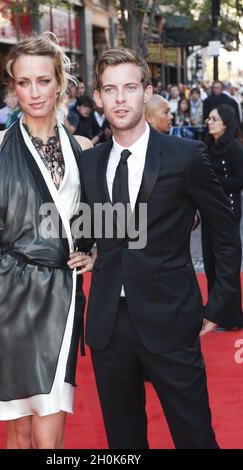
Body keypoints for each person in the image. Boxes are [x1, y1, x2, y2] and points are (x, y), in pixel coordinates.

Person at [70, 48, 241, 449]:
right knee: (123, 443)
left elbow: (225, 232)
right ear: (98, 98)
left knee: (194, 436)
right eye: (110, 89)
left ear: (146, 92)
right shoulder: (90, 162)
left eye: (130, 87)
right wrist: (93, 252)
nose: (120, 98)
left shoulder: (184, 156)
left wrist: (220, 303)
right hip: (109, 325)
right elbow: (92, 228)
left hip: (172, 319)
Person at [0, 33, 93, 449]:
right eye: (24, 82)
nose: (34, 92)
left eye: (43, 81)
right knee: (18, 425)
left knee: (50, 416)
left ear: (59, 83)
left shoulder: (83, 149)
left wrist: (95, 252)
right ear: (13, 87)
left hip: (61, 295)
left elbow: (93, 224)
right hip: (4, 293)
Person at [202, 104, 243, 329]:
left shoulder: (234, 148)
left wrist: (213, 183)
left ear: (225, 123)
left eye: (214, 118)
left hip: (228, 213)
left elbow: (240, 181)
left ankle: (232, 317)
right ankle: (215, 313)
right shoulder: (209, 145)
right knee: (210, 263)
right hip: (209, 212)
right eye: (208, 118)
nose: (209, 122)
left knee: (226, 264)